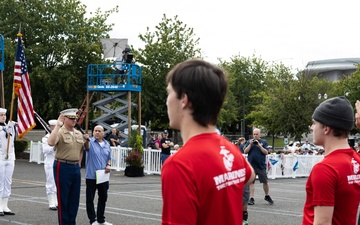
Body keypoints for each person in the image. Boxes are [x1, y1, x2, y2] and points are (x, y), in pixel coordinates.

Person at [161, 59, 255, 225]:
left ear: (183, 99)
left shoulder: (179, 165)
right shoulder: (231, 150)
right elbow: (250, 175)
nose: (167, 101)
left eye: (169, 93)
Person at [302, 96, 360, 225]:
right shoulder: (356, 160)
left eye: (314, 123)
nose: (312, 127)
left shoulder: (325, 168)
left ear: (326, 128)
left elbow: (322, 223)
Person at [47, 108, 90, 225]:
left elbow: (84, 149)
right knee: (63, 198)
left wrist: (86, 141)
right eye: (71, 118)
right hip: (63, 166)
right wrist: (57, 125)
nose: (74, 120)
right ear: (64, 119)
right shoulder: (59, 132)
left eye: (75, 118)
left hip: (75, 167)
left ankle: (72, 222)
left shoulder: (78, 133)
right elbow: (50, 142)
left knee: (74, 199)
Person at [85, 125, 112, 225]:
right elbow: (86, 147)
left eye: (99, 131)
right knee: (90, 199)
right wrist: (86, 140)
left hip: (103, 175)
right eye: (95, 131)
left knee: (103, 197)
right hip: (92, 175)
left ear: (103, 133)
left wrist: (108, 164)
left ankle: (101, 219)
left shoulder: (106, 144)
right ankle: (92, 220)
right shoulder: (90, 142)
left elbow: (109, 156)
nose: (97, 132)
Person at [244, 128, 274, 205]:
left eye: (257, 134)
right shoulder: (249, 142)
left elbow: (266, 152)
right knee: (251, 182)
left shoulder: (263, 142)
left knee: (265, 181)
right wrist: (250, 144)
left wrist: (260, 146)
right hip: (251, 165)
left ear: (260, 134)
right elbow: (245, 151)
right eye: (254, 134)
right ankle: (251, 198)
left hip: (261, 165)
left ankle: (267, 195)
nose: (255, 136)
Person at [0, 108, 16, 216]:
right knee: (0, 181)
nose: (3, 117)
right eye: (1, 115)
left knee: (8, 181)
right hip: (0, 156)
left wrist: (11, 126)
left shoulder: (10, 126)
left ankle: (5, 205)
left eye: (4, 115)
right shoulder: (3, 128)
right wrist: (5, 128)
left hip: (10, 156)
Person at [42, 119, 58, 210]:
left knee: (58, 182)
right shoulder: (46, 138)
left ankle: (56, 201)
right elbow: (46, 151)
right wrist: (54, 145)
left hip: (59, 161)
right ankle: (51, 201)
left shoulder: (60, 136)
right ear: (51, 127)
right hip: (50, 161)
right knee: (51, 182)